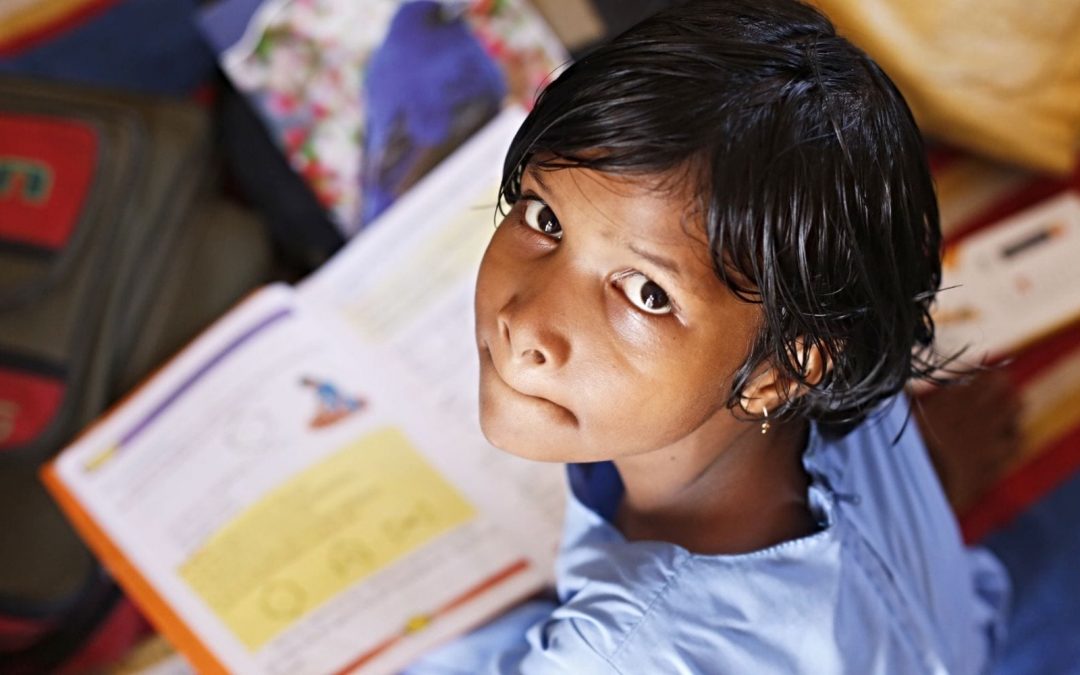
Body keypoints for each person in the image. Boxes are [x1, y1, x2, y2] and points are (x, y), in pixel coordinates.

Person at [408, 0, 1009, 672]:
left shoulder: (611, 652)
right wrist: (941, 471)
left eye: (646, 293)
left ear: (779, 374)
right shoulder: (831, 332)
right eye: (545, 217)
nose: (525, 323)